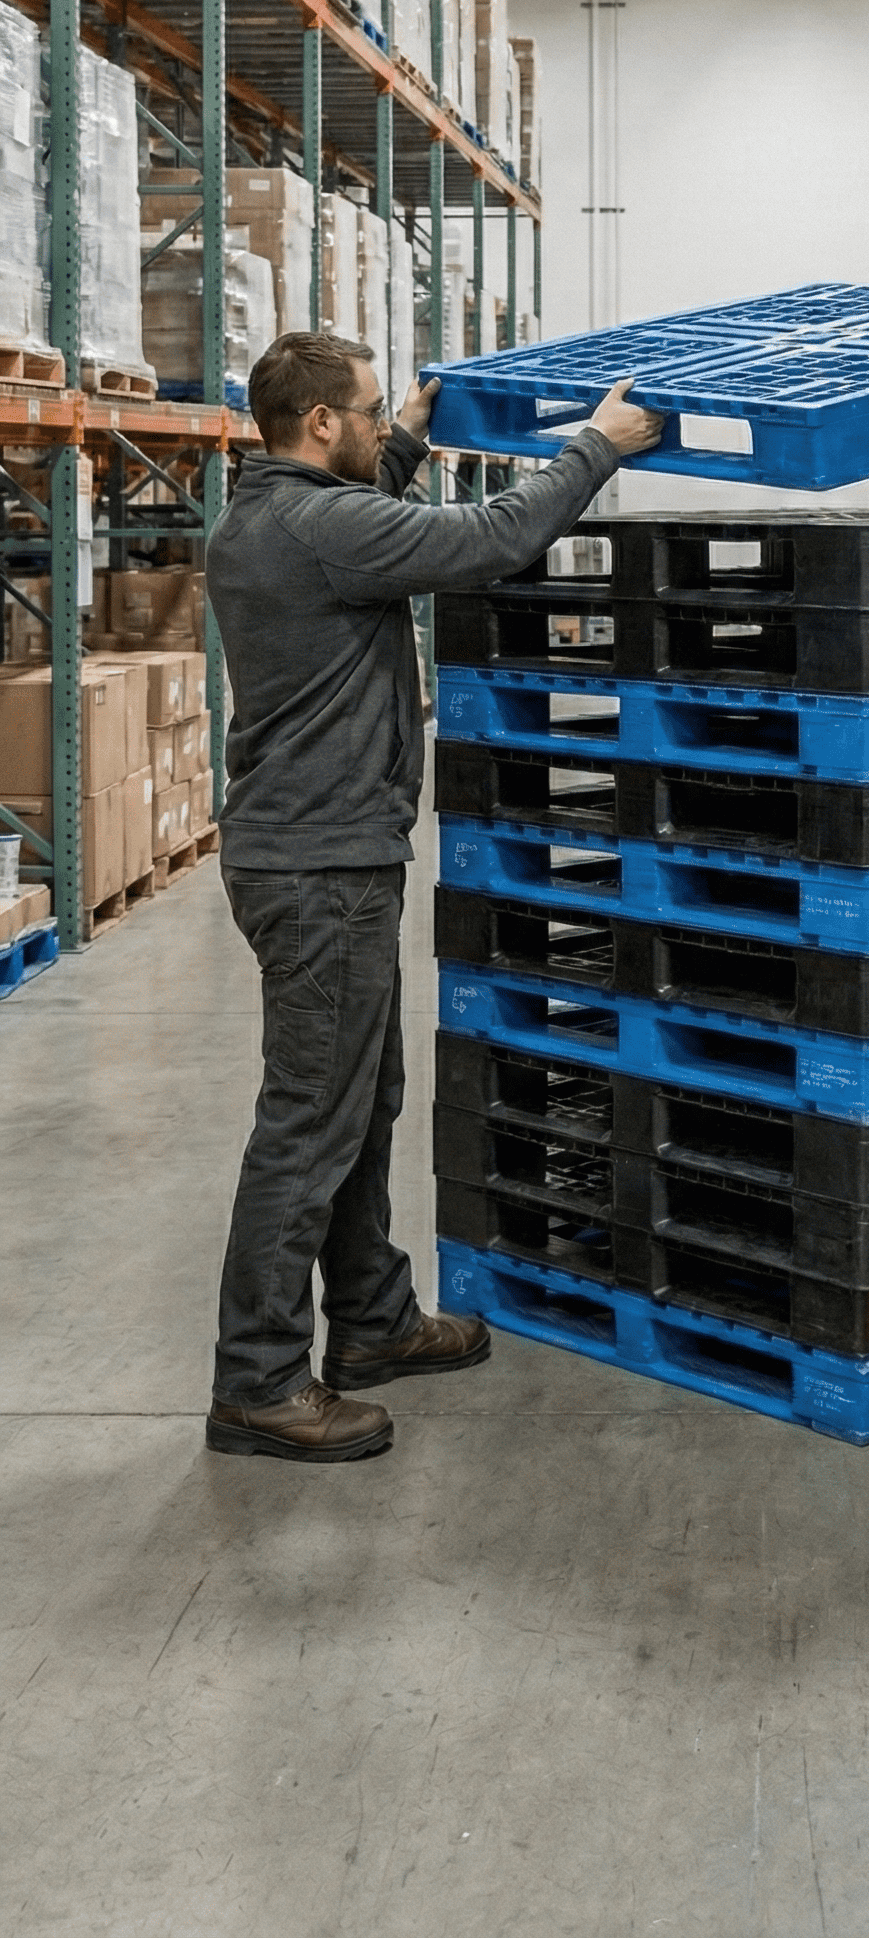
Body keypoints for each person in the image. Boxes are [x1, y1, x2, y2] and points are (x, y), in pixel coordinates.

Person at [203, 331, 660, 1464]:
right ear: (319, 423)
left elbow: (366, 514)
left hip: (315, 854)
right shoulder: (321, 527)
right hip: (320, 868)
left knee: (361, 1103)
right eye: (366, 410)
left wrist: (404, 435)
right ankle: (258, 1381)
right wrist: (596, 448)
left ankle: (372, 1321)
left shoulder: (273, 514)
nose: (377, 422)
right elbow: (490, 536)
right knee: (310, 1122)